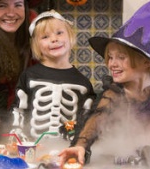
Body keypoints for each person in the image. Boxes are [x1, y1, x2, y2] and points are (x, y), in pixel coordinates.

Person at [59, 0, 150, 167]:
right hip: (119, 159)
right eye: (110, 57)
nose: (112, 64)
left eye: (121, 57)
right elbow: (98, 115)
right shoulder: (114, 92)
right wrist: (80, 146)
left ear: (146, 63)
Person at [10, 10, 96, 141]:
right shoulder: (28, 75)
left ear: (70, 37)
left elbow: (86, 118)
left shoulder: (82, 82)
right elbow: (18, 110)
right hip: (31, 148)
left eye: (59, 33)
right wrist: (16, 133)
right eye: (45, 37)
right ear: (36, 45)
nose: (54, 39)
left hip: (68, 150)